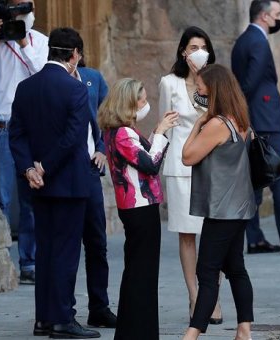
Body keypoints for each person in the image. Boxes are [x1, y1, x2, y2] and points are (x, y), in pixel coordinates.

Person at [9, 27, 100, 338]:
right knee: (65, 252)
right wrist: (44, 166)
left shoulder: (26, 87)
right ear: (74, 55)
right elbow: (73, 138)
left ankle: (43, 319)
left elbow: (17, 134)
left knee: (45, 250)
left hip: (37, 184)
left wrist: (28, 169)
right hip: (68, 183)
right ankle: (62, 319)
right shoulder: (76, 89)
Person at [181, 64, 257, 340]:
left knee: (207, 270)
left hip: (222, 208)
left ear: (214, 91)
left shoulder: (216, 124)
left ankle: (192, 333)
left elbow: (188, 156)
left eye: (201, 89)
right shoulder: (240, 119)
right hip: (240, 205)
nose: (199, 94)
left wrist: (198, 124)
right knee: (235, 267)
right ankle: (244, 329)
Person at [99, 78, 179, 339]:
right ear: (129, 103)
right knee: (140, 271)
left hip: (138, 207)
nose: (145, 104)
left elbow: (146, 157)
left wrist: (157, 132)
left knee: (139, 270)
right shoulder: (121, 133)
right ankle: (138, 332)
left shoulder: (121, 131)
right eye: (142, 100)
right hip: (139, 207)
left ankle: (138, 330)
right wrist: (160, 132)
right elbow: (150, 164)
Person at [158, 26, 223, 324]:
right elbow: (165, 127)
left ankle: (213, 296)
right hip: (180, 167)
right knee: (187, 235)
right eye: (193, 47)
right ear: (183, 51)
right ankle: (195, 296)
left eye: (203, 46)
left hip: (213, 165)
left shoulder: (217, 82)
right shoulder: (168, 83)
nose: (198, 51)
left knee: (215, 233)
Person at [231, 0, 280, 254]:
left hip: (253, 118)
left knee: (254, 180)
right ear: (264, 16)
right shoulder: (258, 42)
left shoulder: (243, 40)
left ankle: (255, 237)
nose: (279, 19)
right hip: (265, 118)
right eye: (277, 14)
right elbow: (250, 82)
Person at [0, 0, 48, 285]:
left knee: (30, 199)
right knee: (1, 197)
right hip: (2, 127)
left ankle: (29, 262)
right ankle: (1, 258)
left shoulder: (40, 42)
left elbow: (42, 73)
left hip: (30, 131)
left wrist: (24, 41)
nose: (18, 16)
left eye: (22, 9)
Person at [75, 49, 119, 328]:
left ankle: (99, 306)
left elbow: (106, 118)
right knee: (63, 247)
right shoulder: (51, 80)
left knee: (97, 243)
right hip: (62, 171)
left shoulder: (92, 78)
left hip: (91, 170)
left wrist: (103, 149)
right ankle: (59, 311)